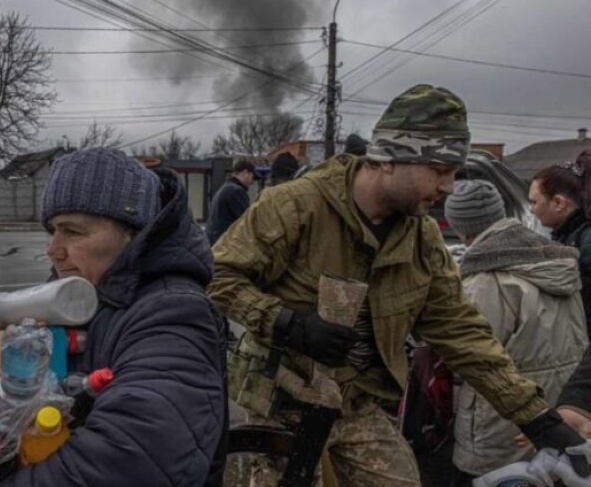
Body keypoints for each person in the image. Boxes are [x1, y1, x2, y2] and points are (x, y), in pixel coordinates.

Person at [209, 83, 589, 486]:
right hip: (280, 406)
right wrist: (285, 322)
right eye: (439, 171)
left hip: (357, 406)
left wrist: (537, 419)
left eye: (454, 173)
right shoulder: (294, 207)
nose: (448, 187)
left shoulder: (422, 239)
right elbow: (217, 275)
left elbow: (462, 332)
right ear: (389, 159)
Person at [0, 148, 228, 486]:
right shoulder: (83, 292)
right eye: (52, 230)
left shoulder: (175, 314)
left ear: (132, 233)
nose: (53, 249)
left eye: (73, 231)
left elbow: (133, 461)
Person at [444, 180, 588, 485]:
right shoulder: (558, 260)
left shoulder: (485, 280)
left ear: (461, 228)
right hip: (563, 406)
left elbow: (472, 352)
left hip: (505, 418)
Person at [529, 151, 591, 335]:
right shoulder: (571, 234)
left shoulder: (585, 241)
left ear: (558, 203)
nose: (530, 210)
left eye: (534, 202)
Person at [205, 159, 261, 245]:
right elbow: (247, 220)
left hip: (215, 242)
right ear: (245, 173)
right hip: (225, 244)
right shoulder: (236, 191)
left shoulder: (225, 188)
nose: (252, 182)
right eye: (252, 177)